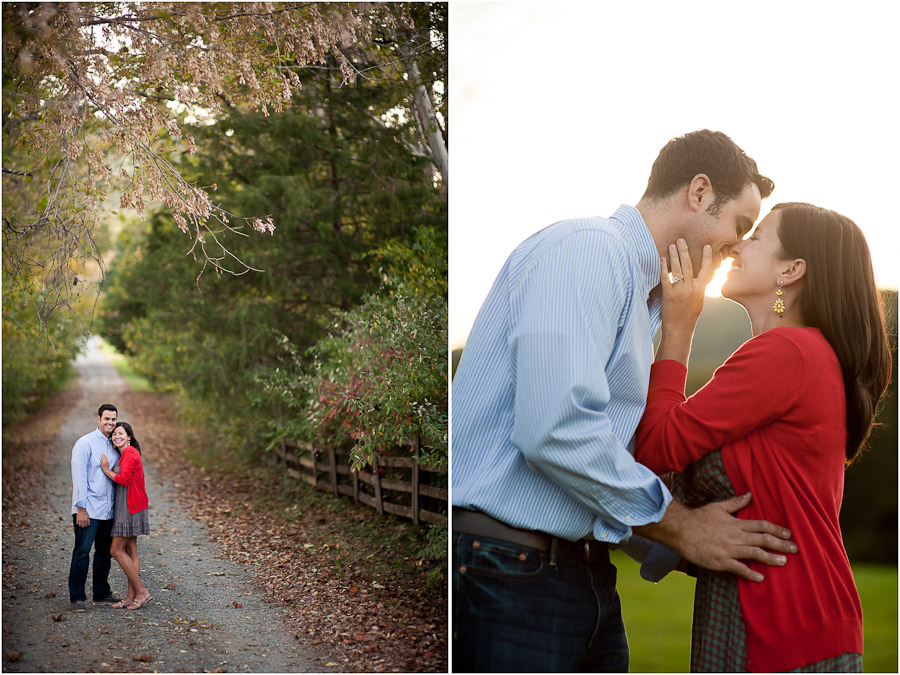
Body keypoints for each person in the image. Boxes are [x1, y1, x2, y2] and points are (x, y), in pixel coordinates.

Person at [451, 130, 801, 673]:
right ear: (700, 191)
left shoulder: (644, 302)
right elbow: (556, 428)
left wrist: (689, 548)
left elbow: (608, 456)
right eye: (740, 225)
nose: (738, 244)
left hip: (575, 576)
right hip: (509, 572)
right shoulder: (588, 252)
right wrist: (682, 527)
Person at [634, 202, 891, 672]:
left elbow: (654, 449)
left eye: (756, 237)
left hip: (782, 618)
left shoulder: (786, 353)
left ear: (791, 270)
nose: (737, 245)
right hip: (775, 609)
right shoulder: (799, 355)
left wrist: (678, 326)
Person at [69, 403, 121, 612]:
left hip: (108, 510)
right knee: (82, 552)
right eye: (107, 418)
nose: (110, 422)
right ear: (98, 419)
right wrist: (81, 508)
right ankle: (77, 597)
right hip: (88, 510)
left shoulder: (116, 445)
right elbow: (79, 477)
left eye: (113, 419)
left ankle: (101, 594)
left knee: (104, 553)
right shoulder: (85, 443)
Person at [100, 421, 151, 610]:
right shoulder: (126, 453)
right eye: (114, 434)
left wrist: (106, 470)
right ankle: (131, 596)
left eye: (121, 433)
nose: (117, 436)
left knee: (115, 550)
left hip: (130, 506)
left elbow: (125, 480)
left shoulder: (129, 452)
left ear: (129, 436)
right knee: (131, 551)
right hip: (131, 504)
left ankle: (141, 592)